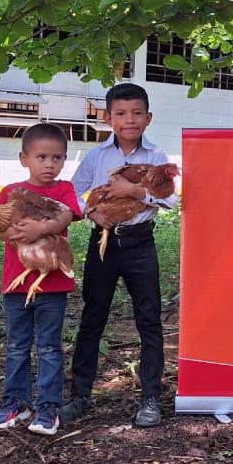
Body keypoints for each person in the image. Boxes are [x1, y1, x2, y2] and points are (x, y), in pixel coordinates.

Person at [62, 84, 176, 428]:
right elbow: (72, 192)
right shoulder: (96, 157)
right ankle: (80, 395)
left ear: (148, 118)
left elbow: (170, 200)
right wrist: (90, 213)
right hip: (104, 244)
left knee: (149, 320)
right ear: (109, 118)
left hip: (141, 243)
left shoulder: (157, 156)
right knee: (92, 318)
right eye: (122, 114)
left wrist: (135, 191)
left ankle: (150, 398)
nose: (130, 120)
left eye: (137, 113)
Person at [0, 123, 81, 436]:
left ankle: (48, 406)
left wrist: (43, 228)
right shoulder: (11, 193)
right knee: (16, 345)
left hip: (53, 285)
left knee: (50, 347)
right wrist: (9, 233)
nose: (49, 164)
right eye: (41, 157)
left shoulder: (63, 189)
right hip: (16, 283)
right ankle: (15, 401)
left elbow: (68, 215)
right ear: (24, 158)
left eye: (57, 158)